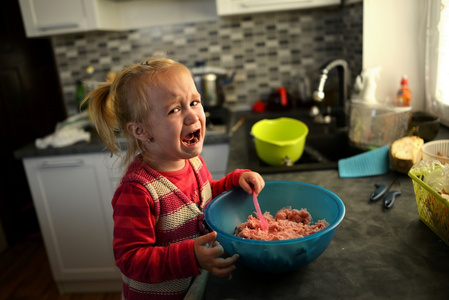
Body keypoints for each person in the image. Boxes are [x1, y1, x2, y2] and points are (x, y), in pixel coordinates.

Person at [84, 57, 265, 299]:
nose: (192, 116)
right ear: (141, 131)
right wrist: (189, 256)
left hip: (195, 288)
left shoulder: (193, 162)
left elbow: (205, 197)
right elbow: (130, 259)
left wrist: (234, 181)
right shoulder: (138, 190)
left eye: (194, 102)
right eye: (174, 110)